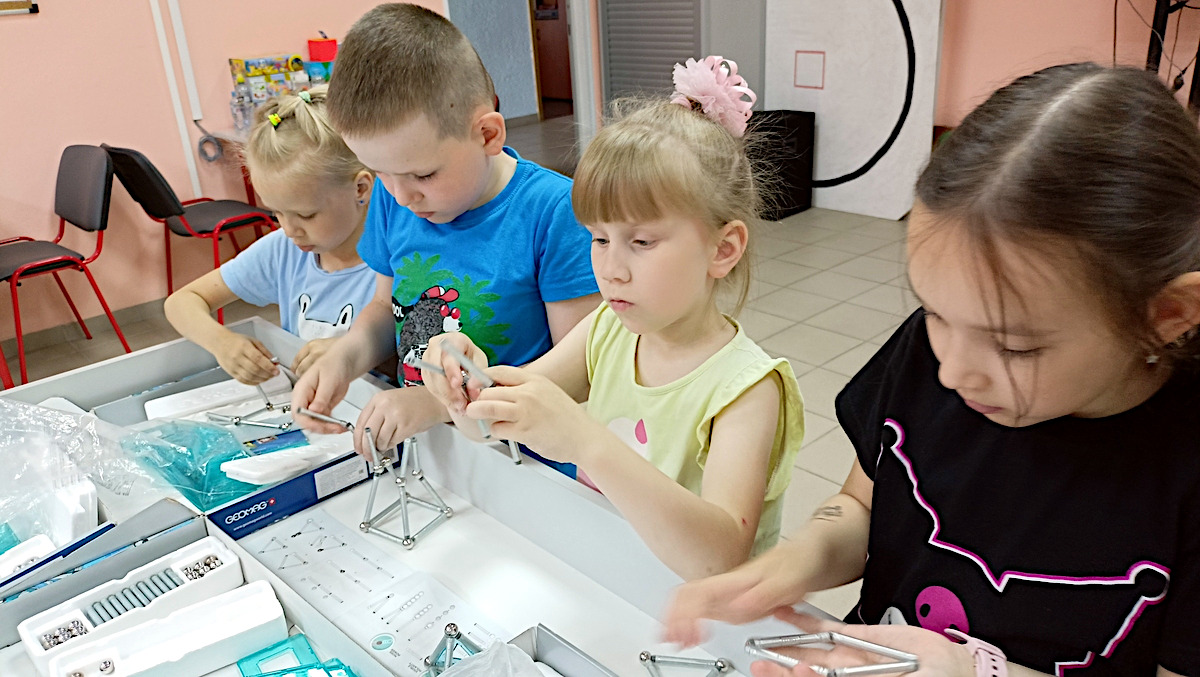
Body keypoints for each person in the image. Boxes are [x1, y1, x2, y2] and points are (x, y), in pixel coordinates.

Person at [663, 63, 1200, 677]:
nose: (952, 374)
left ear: (1168, 314)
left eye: (1014, 347)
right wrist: (797, 561)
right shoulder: (928, 351)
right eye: (935, 312)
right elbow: (862, 504)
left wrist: (975, 673)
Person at [421, 56, 805, 581]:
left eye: (641, 242)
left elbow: (719, 558)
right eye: (599, 238)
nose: (610, 269)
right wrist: (463, 387)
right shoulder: (607, 329)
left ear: (722, 249)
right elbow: (488, 425)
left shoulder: (746, 390)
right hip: (609, 574)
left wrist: (585, 441)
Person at [290, 4, 599, 456]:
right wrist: (345, 355)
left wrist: (438, 405)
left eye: (423, 175)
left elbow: (579, 371)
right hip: (431, 449)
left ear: (487, 135)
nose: (401, 196)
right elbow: (385, 307)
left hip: (522, 458)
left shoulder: (553, 211)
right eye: (380, 173)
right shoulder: (394, 196)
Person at [164, 86, 376, 384]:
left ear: (360, 189)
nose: (289, 230)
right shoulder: (283, 250)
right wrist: (222, 344)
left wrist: (354, 352)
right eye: (277, 212)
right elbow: (181, 302)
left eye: (306, 215)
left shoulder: (401, 259)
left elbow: (417, 354)